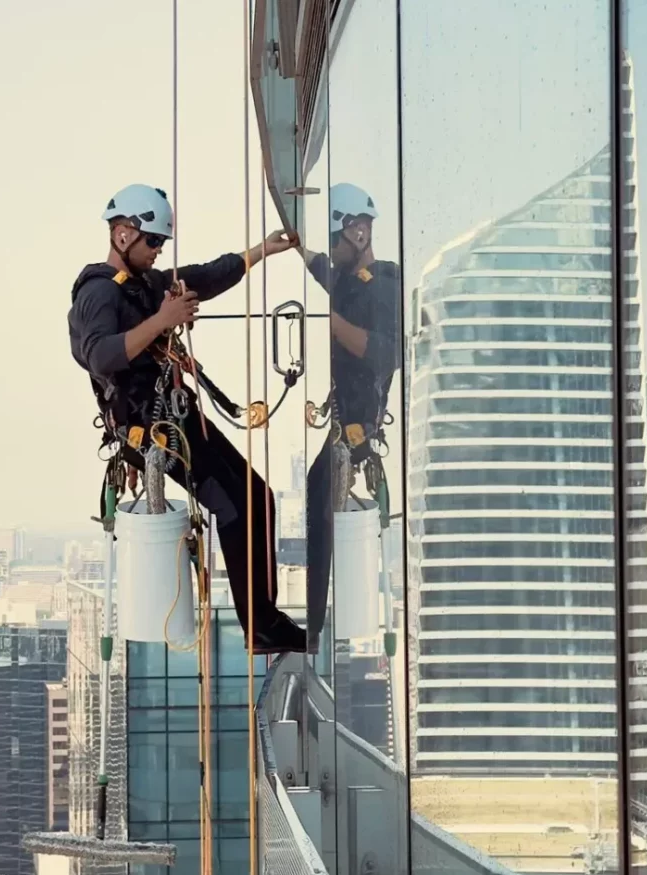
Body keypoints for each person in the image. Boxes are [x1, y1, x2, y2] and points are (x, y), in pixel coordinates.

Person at [69, 183, 307, 655]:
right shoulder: (99, 294)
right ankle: (261, 628)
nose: (158, 251)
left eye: (160, 243)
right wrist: (164, 320)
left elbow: (207, 275)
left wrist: (262, 251)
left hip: (174, 419)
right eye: (152, 241)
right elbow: (100, 355)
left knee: (257, 497)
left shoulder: (145, 286)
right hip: (151, 429)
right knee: (236, 507)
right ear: (123, 236)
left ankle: (266, 621)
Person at [301, 183, 401, 651]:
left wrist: (329, 323)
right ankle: (318, 628)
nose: (335, 251)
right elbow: (321, 265)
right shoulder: (343, 278)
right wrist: (293, 238)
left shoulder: (384, 284)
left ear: (359, 233)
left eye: (339, 239)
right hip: (343, 420)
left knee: (323, 500)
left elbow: (383, 353)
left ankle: (319, 631)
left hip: (357, 423)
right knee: (317, 498)